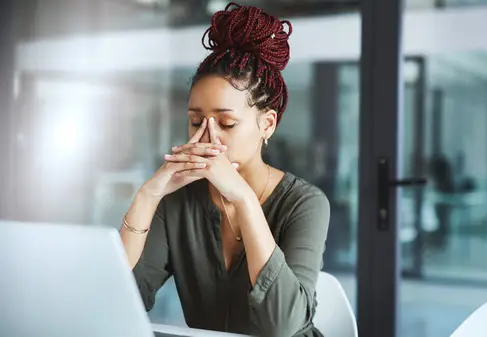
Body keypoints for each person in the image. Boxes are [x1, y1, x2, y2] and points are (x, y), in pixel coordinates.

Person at [119, 3, 330, 337]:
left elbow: (285, 326)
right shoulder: (178, 201)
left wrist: (243, 199)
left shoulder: (305, 203)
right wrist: (148, 196)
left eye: (227, 123)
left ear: (267, 124)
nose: (207, 136)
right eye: (194, 121)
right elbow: (121, 299)